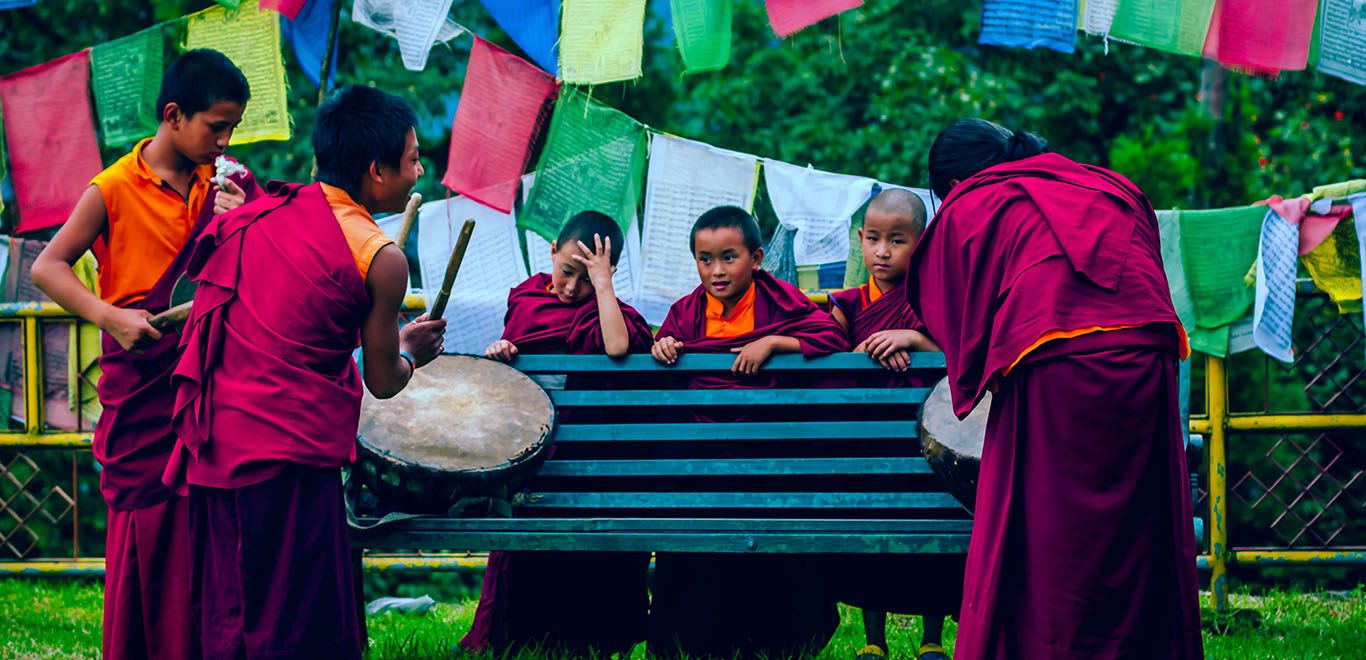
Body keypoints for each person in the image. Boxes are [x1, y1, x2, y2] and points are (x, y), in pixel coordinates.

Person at [162, 85, 446, 659]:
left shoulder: (258, 216)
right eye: (414, 157)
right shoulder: (379, 256)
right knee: (298, 613)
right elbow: (384, 379)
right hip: (291, 451)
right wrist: (413, 351)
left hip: (219, 441)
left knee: (231, 605)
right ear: (378, 172)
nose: (420, 169)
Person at [906, 118, 1202, 659]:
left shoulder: (975, 199)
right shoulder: (1111, 183)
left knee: (1049, 530)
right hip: (1150, 357)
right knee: (1138, 521)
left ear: (948, 185)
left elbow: (942, 295)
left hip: (1056, 360)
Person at [31, 48, 258, 660]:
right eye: (216, 126)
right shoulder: (112, 188)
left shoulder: (229, 183)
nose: (225, 140)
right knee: (151, 527)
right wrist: (110, 317)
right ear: (173, 115)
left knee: (213, 528)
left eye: (232, 127)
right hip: (144, 375)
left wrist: (244, 222)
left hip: (213, 381)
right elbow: (47, 267)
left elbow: (257, 268)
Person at [647, 205, 848, 659]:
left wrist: (775, 342)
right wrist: (663, 345)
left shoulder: (780, 301)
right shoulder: (686, 311)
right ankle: (695, 640)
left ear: (756, 258)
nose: (716, 271)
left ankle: (778, 639)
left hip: (770, 458)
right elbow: (665, 368)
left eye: (729, 257)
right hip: (700, 464)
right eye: (705, 259)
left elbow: (831, 338)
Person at [462, 211, 654, 656]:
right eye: (567, 271)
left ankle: (594, 634)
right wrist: (502, 350)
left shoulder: (612, 314)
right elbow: (512, 383)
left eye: (586, 280)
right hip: (534, 462)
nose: (571, 289)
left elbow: (617, 347)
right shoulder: (527, 300)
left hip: (595, 465)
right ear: (551, 251)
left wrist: (602, 286)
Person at [828, 189, 959, 660]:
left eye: (897, 241)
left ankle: (931, 637)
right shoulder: (845, 303)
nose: (882, 252)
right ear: (860, 239)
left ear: (920, 244)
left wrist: (913, 337)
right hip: (866, 440)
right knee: (873, 538)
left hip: (926, 438)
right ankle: (873, 639)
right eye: (874, 239)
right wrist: (860, 356)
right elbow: (827, 356)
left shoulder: (934, 301)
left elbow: (958, 345)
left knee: (932, 531)